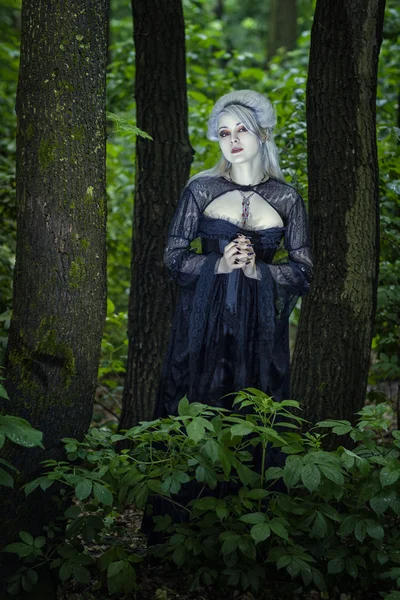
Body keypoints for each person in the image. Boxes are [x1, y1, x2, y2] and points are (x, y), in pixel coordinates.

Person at [154, 89, 313, 419]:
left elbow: (304, 271)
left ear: (264, 133)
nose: (233, 139)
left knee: (255, 410)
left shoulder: (287, 198)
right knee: (197, 407)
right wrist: (220, 263)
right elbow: (173, 257)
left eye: (242, 129)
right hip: (205, 319)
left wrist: (259, 272)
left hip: (260, 325)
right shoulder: (200, 190)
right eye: (225, 133)